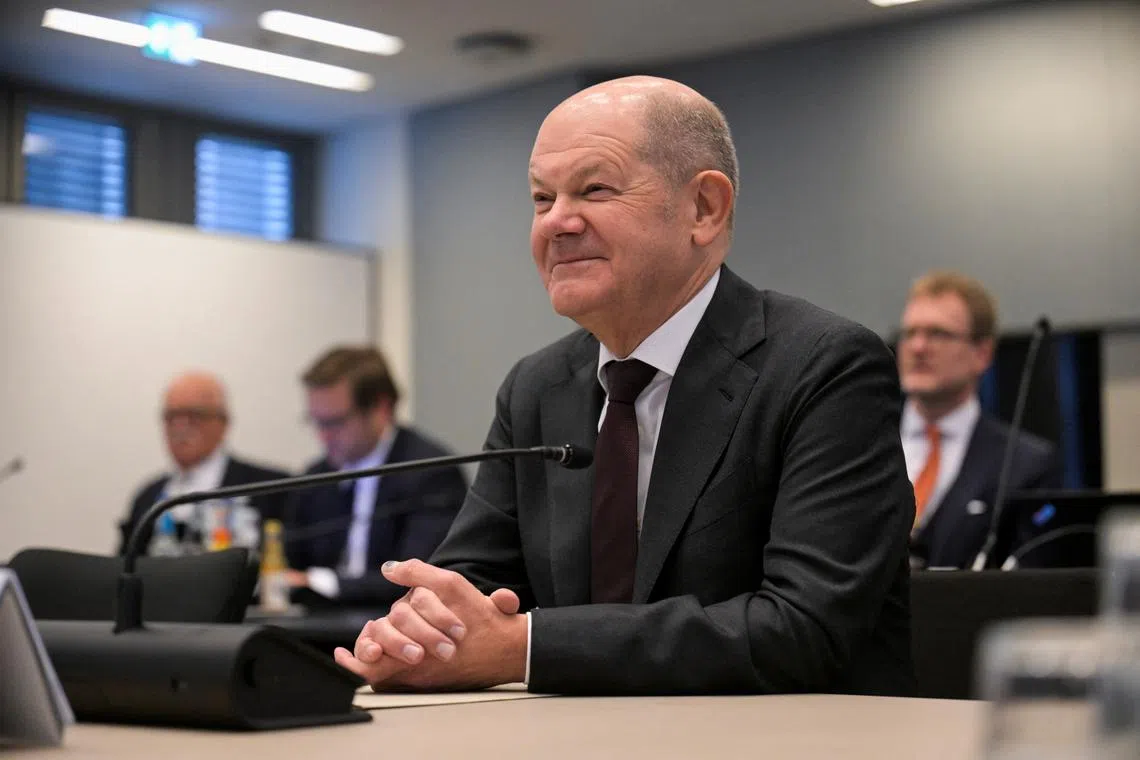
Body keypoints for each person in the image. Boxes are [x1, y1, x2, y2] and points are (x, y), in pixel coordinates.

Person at [333, 76, 916, 695]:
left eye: (593, 189)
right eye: (540, 198)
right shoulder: (536, 387)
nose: (556, 223)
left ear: (703, 209)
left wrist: (524, 648)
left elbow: (803, 630)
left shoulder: (825, 366)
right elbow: (471, 583)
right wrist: (418, 632)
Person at [898, 271, 1062, 569]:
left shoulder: (1025, 465)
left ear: (982, 353)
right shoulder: (852, 445)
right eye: (909, 333)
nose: (918, 347)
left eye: (938, 333)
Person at [283, 346, 468, 607]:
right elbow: (289, 566)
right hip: (317, 628)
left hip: (401, 628)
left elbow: (415, 576)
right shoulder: (315, 477)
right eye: (316, 422)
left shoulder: (431, 471)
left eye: (334, 423)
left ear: (381, 408)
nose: (322, 437)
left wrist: (321, 582)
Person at [118, 371, 289, 555]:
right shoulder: (148, 497)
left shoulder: (271, 488)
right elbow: (122, 572)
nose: (180, 427)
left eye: (194, 415)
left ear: (223, 422)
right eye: (171, 416)